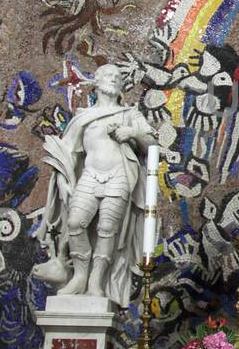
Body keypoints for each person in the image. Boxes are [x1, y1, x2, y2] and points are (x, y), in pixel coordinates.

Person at [36, 64, 154, 305]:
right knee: (75, 223)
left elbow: (152, 145)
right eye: (108, 75)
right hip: (90, 176)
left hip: (119, 177)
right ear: (97, 82)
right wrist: (62, 182)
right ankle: (79, 276)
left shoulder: (130, 114)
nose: (113, 79)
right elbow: (65, 156)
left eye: (118, 77)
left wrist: (132, 133)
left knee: (108, 229)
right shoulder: (83, 117)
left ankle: (96, 281)